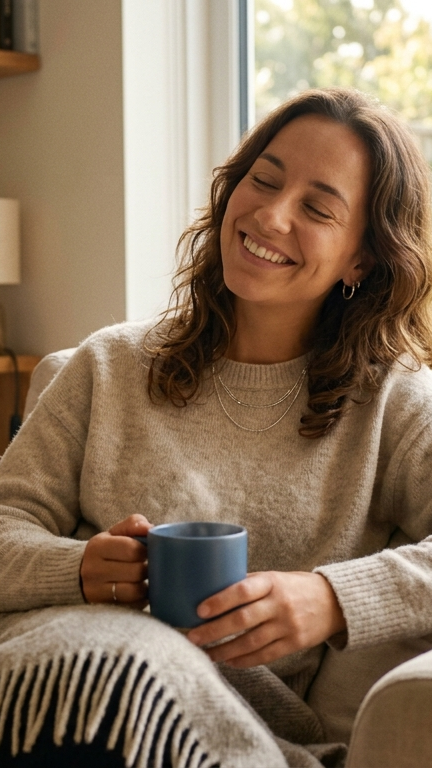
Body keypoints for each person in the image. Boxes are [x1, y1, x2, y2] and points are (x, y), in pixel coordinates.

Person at [1, 86, 432, 768]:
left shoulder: (394, 402)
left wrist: (332, 598)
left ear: (362, 260)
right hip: (53, 687)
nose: (271, 213)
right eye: (263, 180)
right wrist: (79, 568)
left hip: (227, 734)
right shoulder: (106, 365)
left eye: (317, 209)